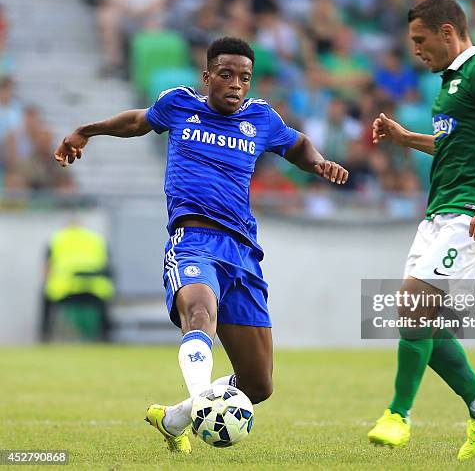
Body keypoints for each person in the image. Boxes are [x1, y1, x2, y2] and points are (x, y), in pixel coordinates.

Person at [54, 36, 349, 453]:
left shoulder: (260, 119)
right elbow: (138, 121)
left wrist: (318, 162)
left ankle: (174, 418)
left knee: (258, 385)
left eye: (244, 78)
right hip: (193, 241)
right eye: (226, 75)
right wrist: (87, 131)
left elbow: (297, 144)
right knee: (199, 310)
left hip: (243, 253)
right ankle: (204, 400)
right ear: (207, 76)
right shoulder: (179, 105)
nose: (235, 85)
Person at [366, 0, 475, 461]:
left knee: (413, 303)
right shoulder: (449, 84)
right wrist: (406, 138)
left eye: (421, 40)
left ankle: (397, 415)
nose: (416, 49)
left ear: (447, 32)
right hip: (440, 213)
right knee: (417, 316)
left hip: (474, 214)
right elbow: (453, 146)